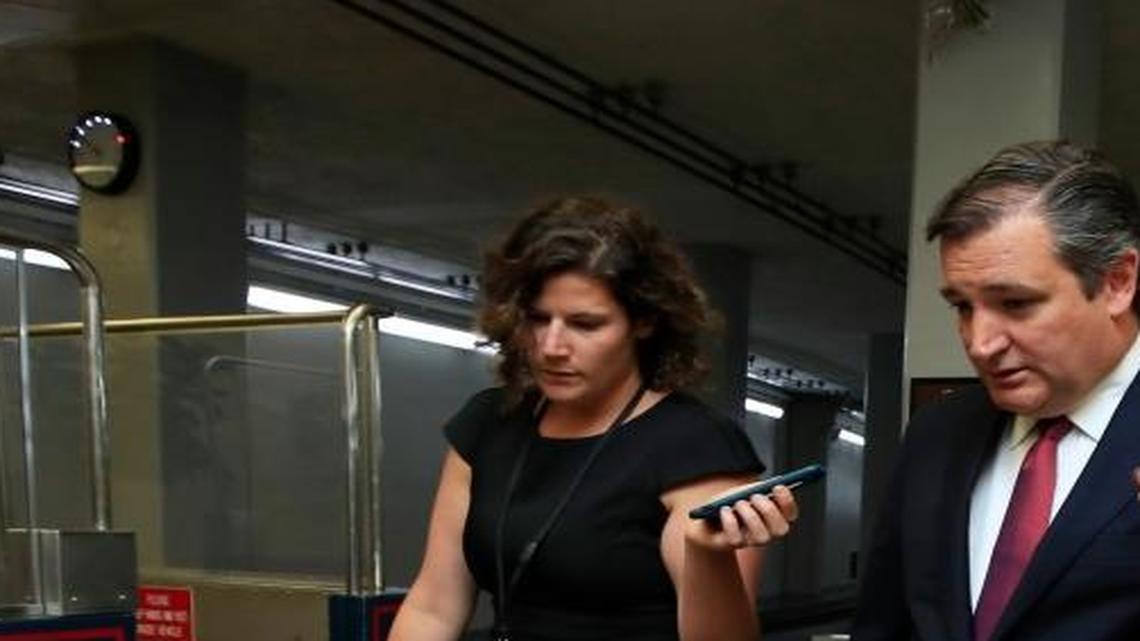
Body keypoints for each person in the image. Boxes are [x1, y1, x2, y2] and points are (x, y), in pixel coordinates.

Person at [389, 196, 799, 641]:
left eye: (585, 324)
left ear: (642, 322)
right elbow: (434, 607)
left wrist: (708, 557)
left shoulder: (696, 448)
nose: (551, 346)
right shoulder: (490, 422)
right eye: (538, 318)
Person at [853, 141, 1140, 641]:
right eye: (963, 307)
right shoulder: (935, 434)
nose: (980, 344)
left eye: (1015, 302)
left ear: (1117, 282)